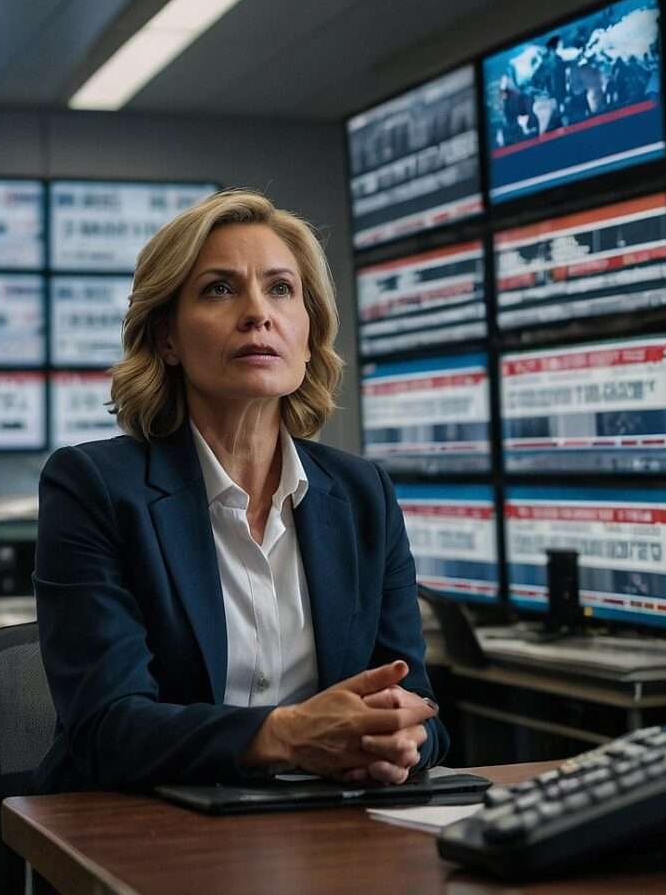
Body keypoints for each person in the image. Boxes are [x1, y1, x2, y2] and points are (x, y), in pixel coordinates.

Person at [33, 189, 448, 793]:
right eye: (219, 289)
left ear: (308, 336)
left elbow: (421, 706)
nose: (258, 313)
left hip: (324, 832)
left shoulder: (364, 495)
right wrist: (285, 736)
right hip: (139, 836)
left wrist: (401, 741)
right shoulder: (92, 487)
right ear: (167, 338)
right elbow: (106, 728)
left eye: (281, 289)